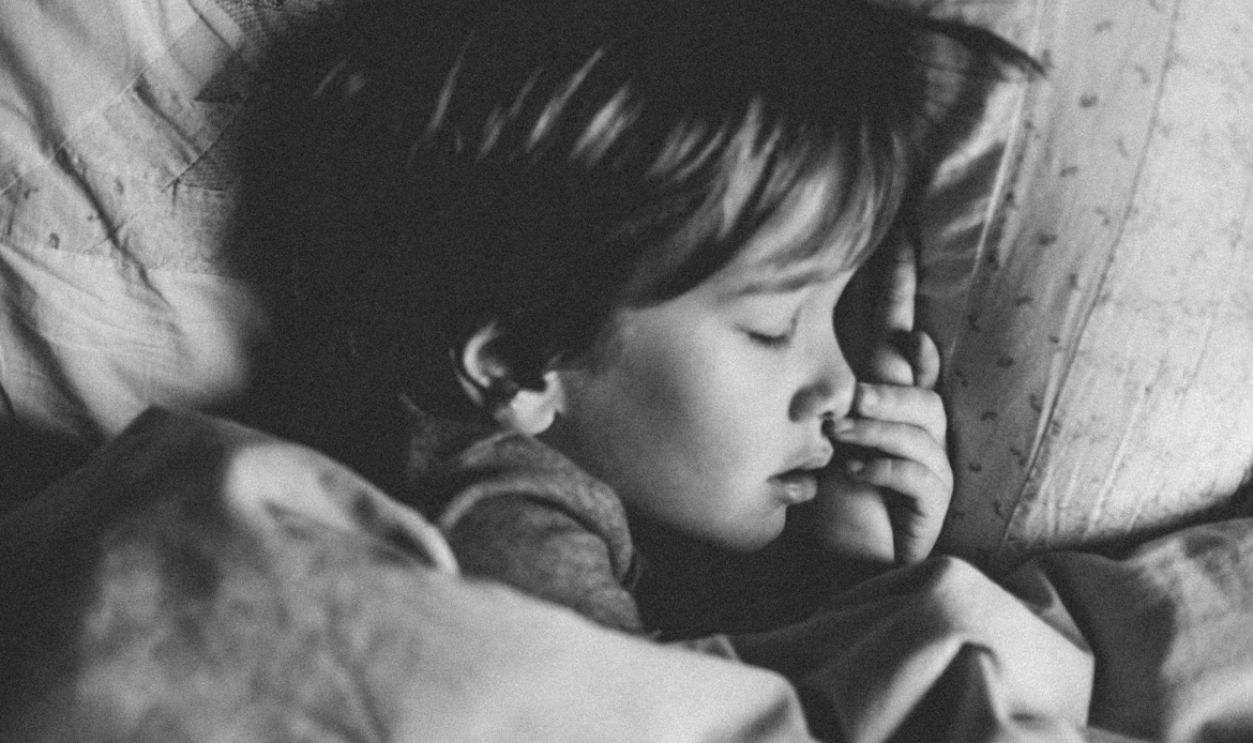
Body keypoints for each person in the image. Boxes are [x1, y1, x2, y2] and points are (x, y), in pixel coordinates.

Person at [244, 0, 1037, 639]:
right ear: (520, 363)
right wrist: (855, 586)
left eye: (837, 312)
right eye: (771, 328)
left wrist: (827, 561)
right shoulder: (503, 519)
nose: (838, 383)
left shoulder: (609, 492)